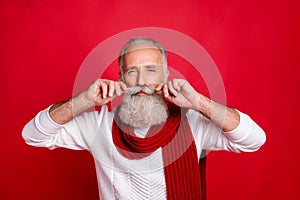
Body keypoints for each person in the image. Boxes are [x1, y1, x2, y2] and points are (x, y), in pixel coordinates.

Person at [22, 37, 266, 200]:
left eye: (150, 70)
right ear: (122, 78)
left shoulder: (192, 122)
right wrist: (84, 101)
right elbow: (32, 136)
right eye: (132, 71)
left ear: (166, 74)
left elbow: (254, 140)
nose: (140, 81)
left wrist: (199, 102)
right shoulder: (99, 125)